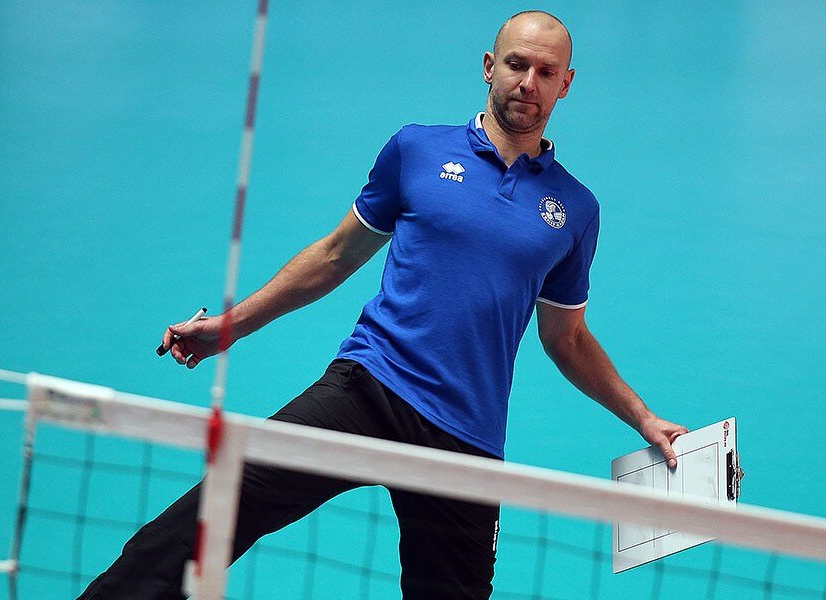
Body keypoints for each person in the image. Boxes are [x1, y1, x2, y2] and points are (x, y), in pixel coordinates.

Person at [79, 10, 687, 600]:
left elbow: (567, 338)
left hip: (467, 435)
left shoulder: (575, 209)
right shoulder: (416, 149)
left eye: (546, 72)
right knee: (215, 508)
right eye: (516, 64)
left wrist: (642, 417)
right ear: (488, 66)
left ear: (565, 84)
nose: (528, 82)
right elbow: (335, 255)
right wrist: (233, 325)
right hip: (369, 386)